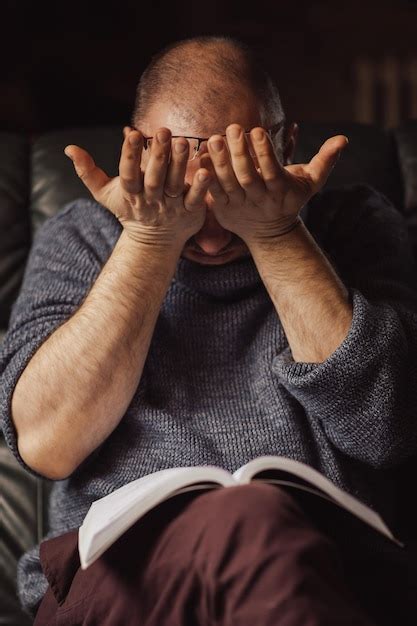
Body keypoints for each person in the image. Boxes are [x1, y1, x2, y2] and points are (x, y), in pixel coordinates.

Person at [1, 35, 417, 625]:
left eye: (237, 185)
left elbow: (388, 428)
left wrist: (275, 234)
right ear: (136, 152)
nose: (215, 235)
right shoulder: (81, 236)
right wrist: (150, 239)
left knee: (255, 523)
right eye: (184, 185)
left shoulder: (354, 222)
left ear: (287, 145)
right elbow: (47, 443)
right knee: (244, 521)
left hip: (331, 560)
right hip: (119, 578)